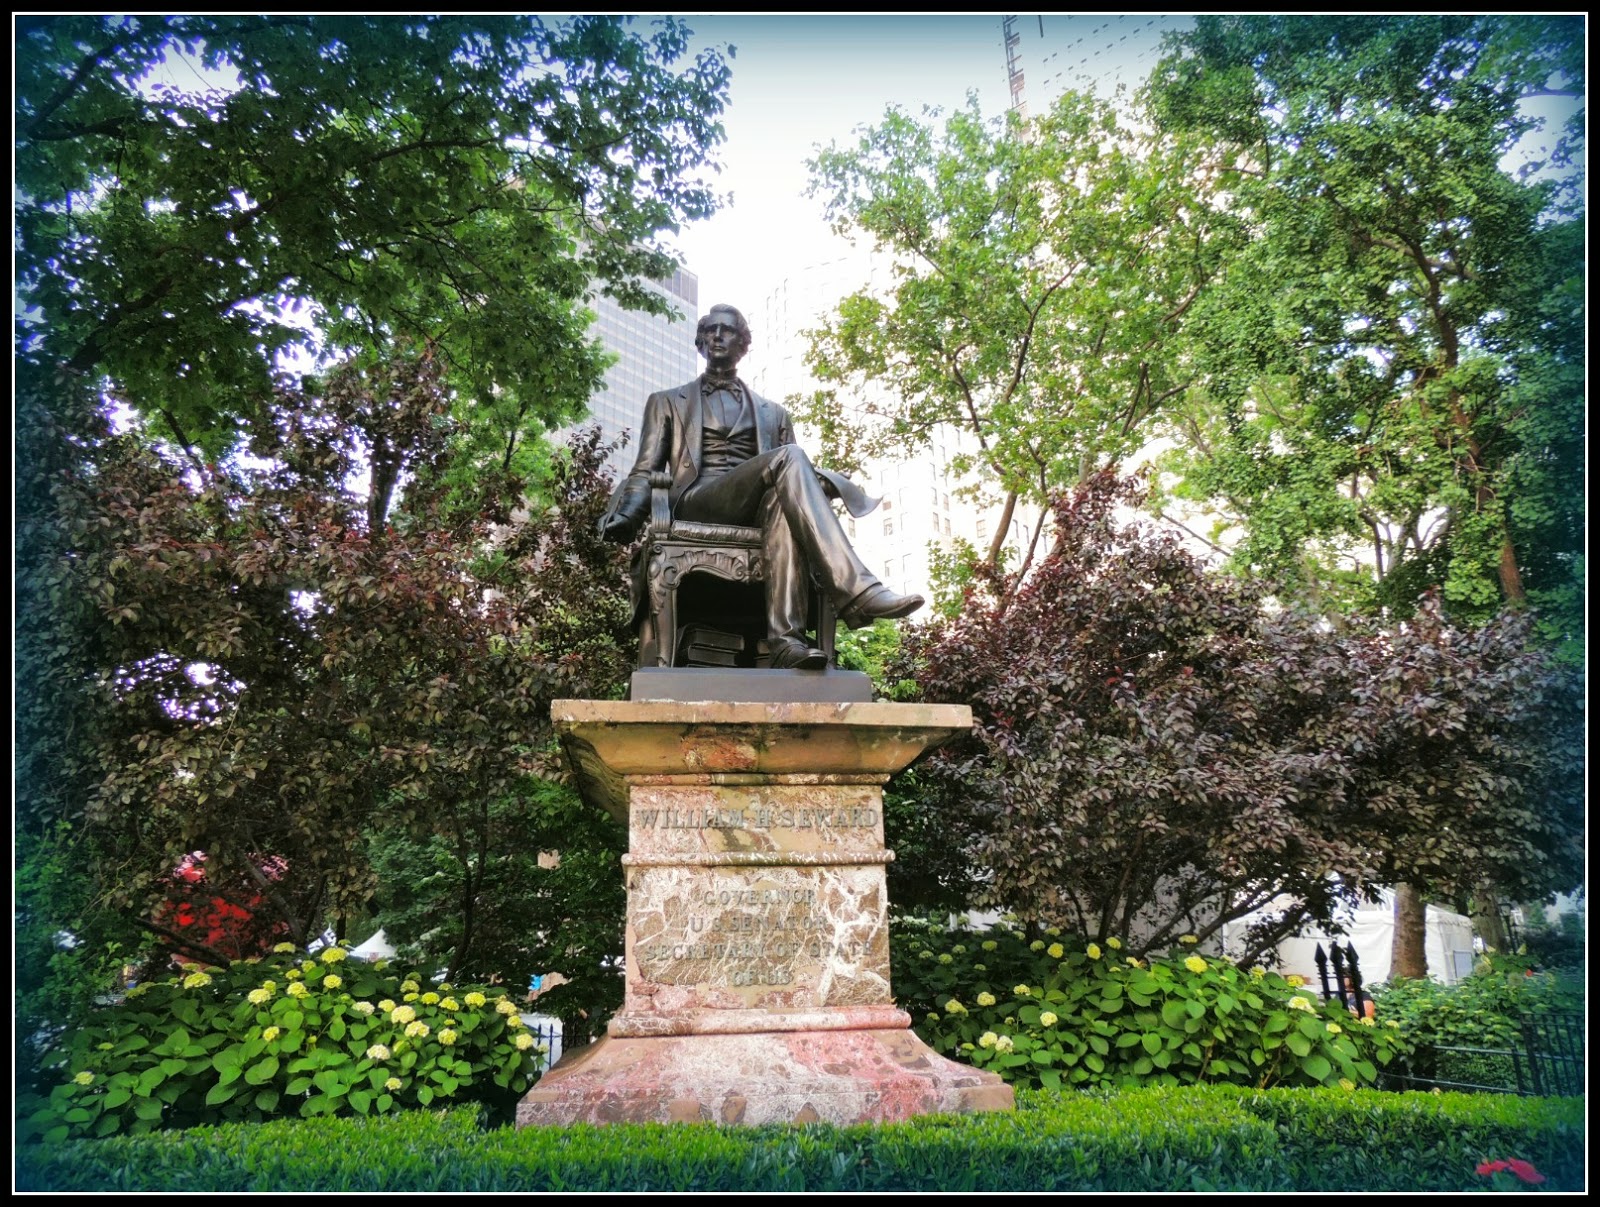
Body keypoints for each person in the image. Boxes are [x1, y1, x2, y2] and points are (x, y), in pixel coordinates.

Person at [600, 304, 923, 669]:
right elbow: (645, 469)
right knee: (790, 456)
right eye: (711, 330)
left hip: (756, 506)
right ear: (701, 342)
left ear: (744, 344)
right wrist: (628, 515)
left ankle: (786, 642)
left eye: (728, 331)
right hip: (697, 500)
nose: (718, 336)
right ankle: (859, 590)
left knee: (783, 506)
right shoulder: (666, 402)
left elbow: (793, 486)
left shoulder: (774, 413)